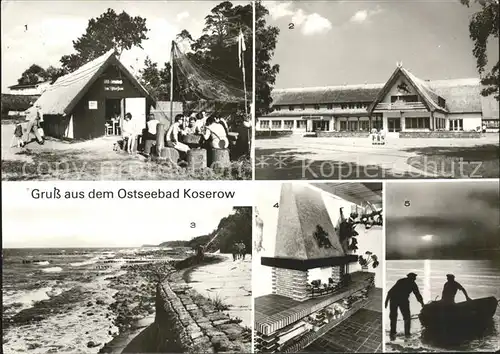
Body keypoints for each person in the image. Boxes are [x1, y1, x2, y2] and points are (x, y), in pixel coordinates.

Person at [385, 272, 425, 340]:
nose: (414, 279)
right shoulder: (408, 283)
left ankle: (398, 333)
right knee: (402, 317)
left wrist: (422, 303)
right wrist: (422, 303)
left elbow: (417, 295)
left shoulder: (406, 282)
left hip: (398, 299)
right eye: (414, 278)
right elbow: (391, 291)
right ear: (410, 277)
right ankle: (401, 333)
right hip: (398, 299)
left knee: (399, 317)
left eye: (414, 278)